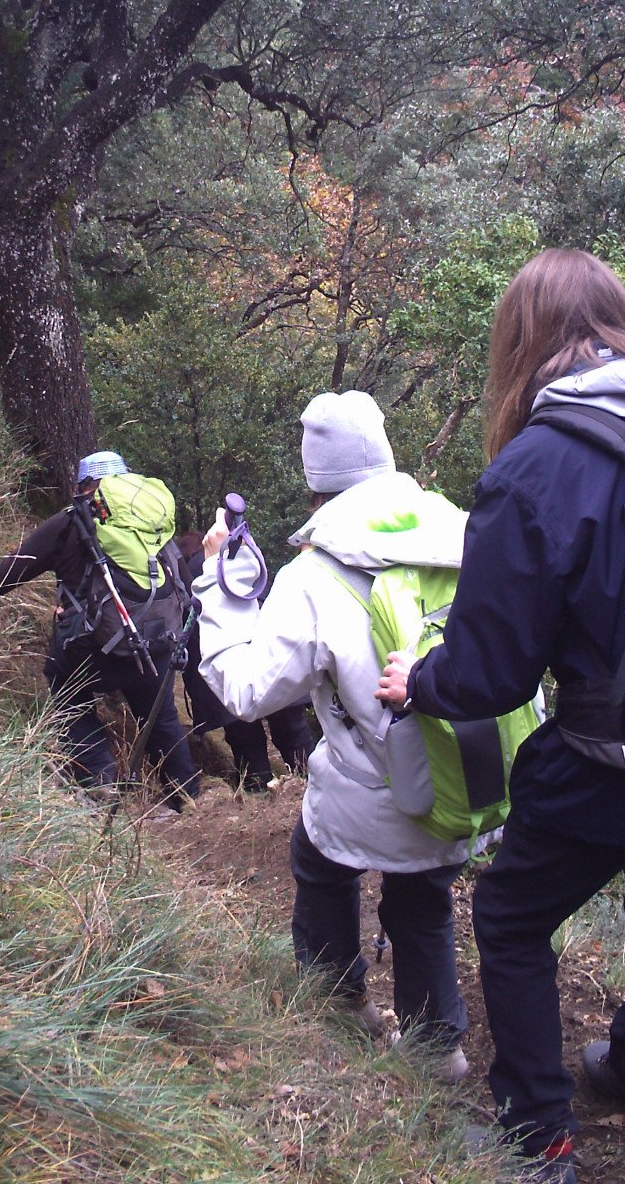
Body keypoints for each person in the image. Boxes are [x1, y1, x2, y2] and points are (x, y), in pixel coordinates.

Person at [376, 248, 625, 1184]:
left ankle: (536, 1138)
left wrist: (418, 681)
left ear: (520, 341)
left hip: (613, 758)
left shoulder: (538, 465)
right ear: (619, 329)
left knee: (508, 917)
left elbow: (490, 677)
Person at [195, 390, 470, 1077]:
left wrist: (216, 585)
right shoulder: (468, 532)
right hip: (472, 771)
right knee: (422, 896)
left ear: (313, 478)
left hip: (378, 781)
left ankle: (337, 1006)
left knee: (319, 860)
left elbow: (246, 692)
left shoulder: (315, 573)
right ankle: (439, 1048)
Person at [0, 450, 200, 807]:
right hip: (154, 642)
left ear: (83, 487)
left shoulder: (71, 521)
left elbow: (4, 576)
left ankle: (99, 785)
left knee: (70, 698)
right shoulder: (152, 527)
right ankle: (188, 800)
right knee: (161, 718)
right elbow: (185, 589)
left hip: (92, 648)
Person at [175, 530, 315, 791]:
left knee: (246, 741)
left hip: (227, 664)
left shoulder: (193, 576)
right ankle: (311, 782)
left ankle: (258, 793)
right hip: (274, 657)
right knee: (293, 733)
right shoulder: (245, 561)